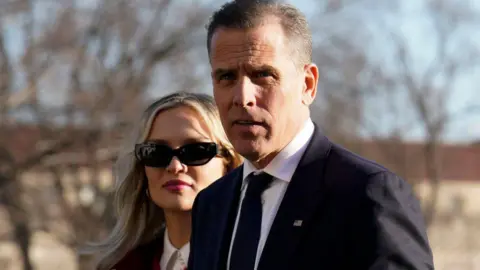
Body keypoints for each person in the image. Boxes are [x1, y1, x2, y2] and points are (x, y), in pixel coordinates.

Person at [188, 1, 434, 270]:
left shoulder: (368, 195)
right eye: (226, 77)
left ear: (308, 84)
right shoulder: (210, 204)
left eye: (262, 75)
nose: (242, 97)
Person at [83, 92, 243, 270]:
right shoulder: (123, 265)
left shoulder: (258, 257)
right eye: (157, 153)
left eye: (195, 151)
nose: (175, 166)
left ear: (229, 163)